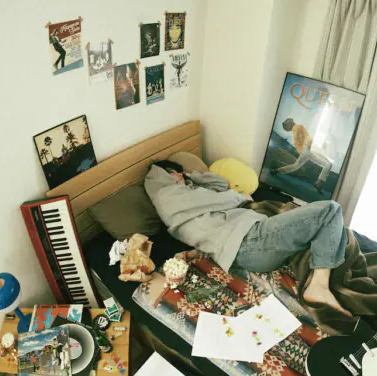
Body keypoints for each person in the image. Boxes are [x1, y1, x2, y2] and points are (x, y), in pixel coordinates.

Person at [144, 160, 350, 315]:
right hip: (249, 241)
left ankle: (322, 272)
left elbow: (221, 184)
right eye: (176, 173)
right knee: (330, 210)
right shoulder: (167, 195)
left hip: (249, 241)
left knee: (325, 228)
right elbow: (219, 198)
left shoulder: (185, 192)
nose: (181, 176)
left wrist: (192, 176)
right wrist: (240, 197)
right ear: (165, 175)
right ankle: (318, 286)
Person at [271, 118, 334, 190]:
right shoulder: (298, 127)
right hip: (308, 149)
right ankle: (319, 182)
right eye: (288, 121)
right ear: (290, 123)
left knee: (295, 166)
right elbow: (307, 139)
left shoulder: (294, 130)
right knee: (328, 164)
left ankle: (277, 171)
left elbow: (299, 142)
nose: (290, 120)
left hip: (304, 151)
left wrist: (305, 149)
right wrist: (311, 145)